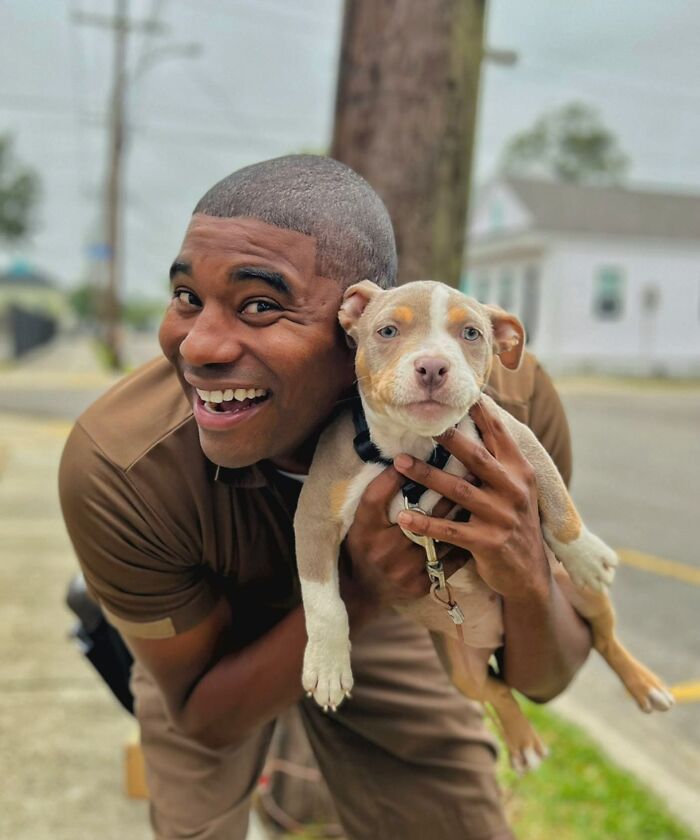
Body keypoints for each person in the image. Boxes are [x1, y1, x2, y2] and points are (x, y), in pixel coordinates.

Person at [59, 154, 591, 840]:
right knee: (197, 817)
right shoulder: (122, 466)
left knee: (452, 821)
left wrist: (523, 577)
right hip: (212, 622)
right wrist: (363, 582)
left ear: (362, 332)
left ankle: (306, 754)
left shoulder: (499, 407)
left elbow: (547, 678)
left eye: (260, 305)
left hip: (390, 610)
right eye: (188, 297)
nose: (199, 346)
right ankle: (285, 745)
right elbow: (200, 714)